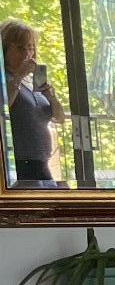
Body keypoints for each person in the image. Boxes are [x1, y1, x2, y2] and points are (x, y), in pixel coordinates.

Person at [3, 18, 66, 183]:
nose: (27, 54)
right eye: (20, 48)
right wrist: (18, 77)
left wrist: (51, 97)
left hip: (41, 163)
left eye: (30, 47)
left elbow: (59, 119)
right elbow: (3, 107)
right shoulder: (5, 80)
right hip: (20, 164)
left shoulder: (33, 81)